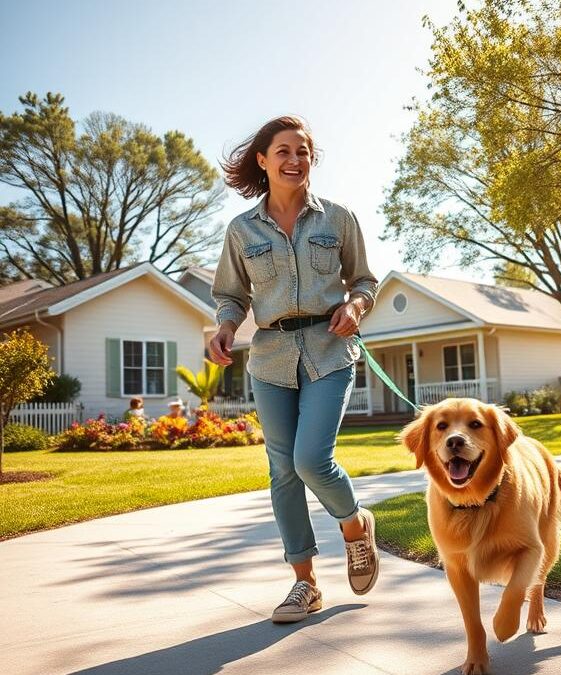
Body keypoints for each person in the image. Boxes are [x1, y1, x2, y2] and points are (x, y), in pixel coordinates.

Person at [209, 116, 380, 624]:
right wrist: (225, 326)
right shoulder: (242, 230)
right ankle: (304, 585)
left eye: (302, 151)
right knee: (282, 471)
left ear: (311, 159)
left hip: (329, 351)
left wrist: (355, 307)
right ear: (263, 161)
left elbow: (365, 281)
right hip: (269, 357)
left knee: (311, 459)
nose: (294, 159)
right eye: (282, 151)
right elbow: (230, 295)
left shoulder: (339, 218)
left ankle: (353, 527)